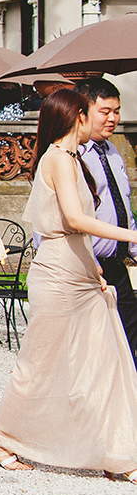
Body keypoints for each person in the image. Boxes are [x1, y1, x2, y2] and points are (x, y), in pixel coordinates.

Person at [0, 88, 137, 480]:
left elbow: (77, 232)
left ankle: (117, 452)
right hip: (57, 276)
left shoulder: (69, 158)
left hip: (81, 273)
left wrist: (96, 271)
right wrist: (131, 237)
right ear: (79, 116)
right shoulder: (59, 158)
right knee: (40, 363)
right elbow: (75, 220)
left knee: (104, 360)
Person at [75, 77, 137, 359]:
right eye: (105, 111)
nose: (113, 119)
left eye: (117, 111)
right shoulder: (72, 155)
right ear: (84, 112)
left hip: (116, 262)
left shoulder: (113, 152)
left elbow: (123, 207)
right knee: (95, 348)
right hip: (88, 266)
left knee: (129, 335)